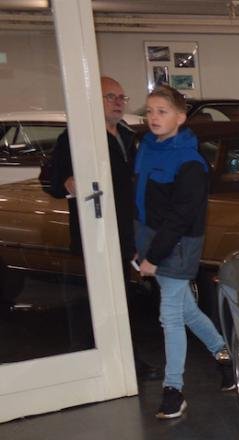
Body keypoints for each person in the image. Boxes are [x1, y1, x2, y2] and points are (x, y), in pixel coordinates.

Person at [44, 76, 160, 379]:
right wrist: (68, 183)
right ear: (93, 101)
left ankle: (122, 361)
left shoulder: (128, 136)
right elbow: (51, 180)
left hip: (127, 230)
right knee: (102, 300)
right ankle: (104, 361)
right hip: (97, 231)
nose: (119, 102)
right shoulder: (76, 137)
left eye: (122, 97)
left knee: (121, 298)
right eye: (111, 97)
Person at [133, 85, 232, 420]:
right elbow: (140, 202)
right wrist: (139, 247)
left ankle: (173, 390)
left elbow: (180, 217)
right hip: (151, 241)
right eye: (149, 111)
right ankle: (226, 359)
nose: (153, 117)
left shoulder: (191, 162)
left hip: (176, 246)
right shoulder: (146, 148)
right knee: (187, 310)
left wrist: (153, 257)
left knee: (170, 316)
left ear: (180, 117)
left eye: (162, 111)